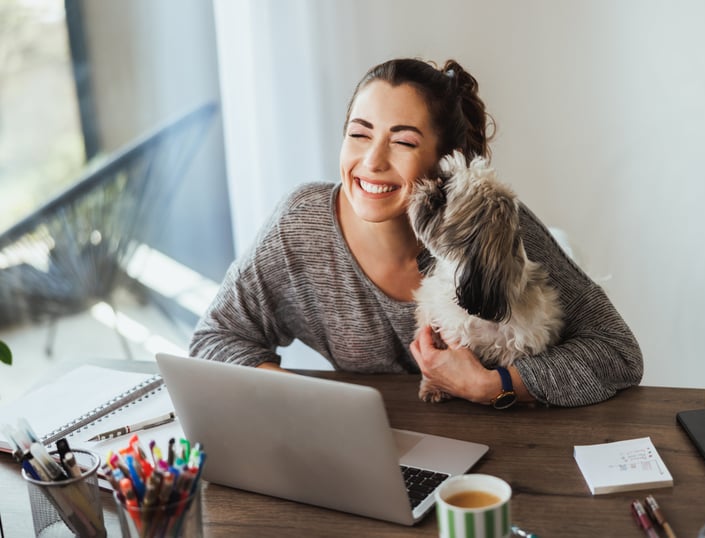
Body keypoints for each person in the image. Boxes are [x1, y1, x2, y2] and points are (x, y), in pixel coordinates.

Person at [189, 57, 643, 408]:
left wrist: (493, 385)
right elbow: (214, 340)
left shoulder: (492, 229)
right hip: (370, 449)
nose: (372, 161)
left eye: (403, 142)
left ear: (445, 159)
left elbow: (618, 352)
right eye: (359, 134)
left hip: (505, 451)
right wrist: (312, 405)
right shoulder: (300, 227)